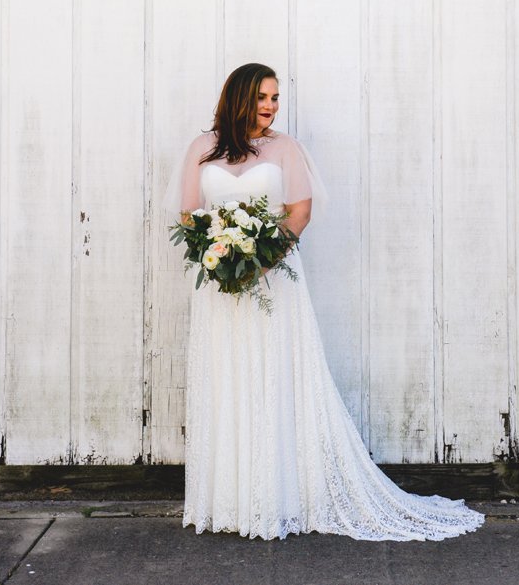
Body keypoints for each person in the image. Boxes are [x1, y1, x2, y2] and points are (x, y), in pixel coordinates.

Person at [163, 62, 485, 541]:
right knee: (226, 375)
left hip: (274, 282)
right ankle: (229, 499)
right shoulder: (202, 148)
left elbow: (299, 212)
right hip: (220, 288)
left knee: (275, 377)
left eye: (275, 98)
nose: (270, 107)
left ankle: (279, 496)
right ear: (238, 98)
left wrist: (259, 263)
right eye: (261, 98)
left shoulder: (286, 148)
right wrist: (217, 257)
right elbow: (190, 215)